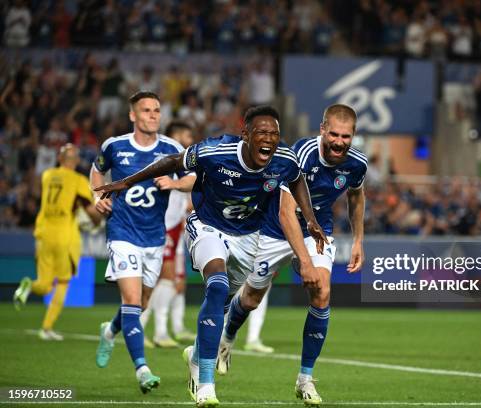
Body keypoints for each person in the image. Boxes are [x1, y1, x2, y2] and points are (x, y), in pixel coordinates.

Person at [94, 105, 326, 407]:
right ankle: (205, 383)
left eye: (274, 133)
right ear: (246, 134)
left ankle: (196, 352)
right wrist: (127, 181)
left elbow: (297, 180)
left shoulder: (284, 158)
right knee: (216, 285)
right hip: (207, 225)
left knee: (225, 300)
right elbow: (172, 161)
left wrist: (309, 218)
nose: (269, 138)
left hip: (248, 237)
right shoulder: (215, 151)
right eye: (261, 132)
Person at [216, 104, 367, 406]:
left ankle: (305, 379)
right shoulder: (300, 154)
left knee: (321, 291)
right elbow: (287, 213)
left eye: (346, 136)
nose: (339, 141)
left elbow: (356, 196)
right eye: (334, 134)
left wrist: (358, 240)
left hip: (317, 231)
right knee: (250, 299)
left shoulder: (357, 164)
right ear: (323, 129)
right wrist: (305, 263)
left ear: (353, 136)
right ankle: (227, 338)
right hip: (274, 229)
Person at [90, 91, 194, 393]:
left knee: (142, 302)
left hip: (154, 237)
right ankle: (142, 370)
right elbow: (97, 170)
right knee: (133, 301)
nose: (152, 115)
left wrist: (174, 183)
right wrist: (99, 196)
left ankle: (109, 331)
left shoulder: (172, 148)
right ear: (133, 115)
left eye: (157, 110)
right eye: (146, 110)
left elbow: (192, 178)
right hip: (123, 233)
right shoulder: (115, 146)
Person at [13, 144, 102, 340]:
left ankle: (29, 285)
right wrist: (98, 222)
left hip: (43, 233)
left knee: (44, 284)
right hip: (64, 236)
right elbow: (90, 210)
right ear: (76, 161)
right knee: (62, 282)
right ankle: (46, 328)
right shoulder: (78, 180)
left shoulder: (47, 176)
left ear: (59, 159)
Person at [140, 120, 196, 348]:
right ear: (175, 136)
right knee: (159, 279)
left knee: (167, 280)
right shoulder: (165, 157)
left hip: (172, 224)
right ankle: (142, 328)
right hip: (159, 224)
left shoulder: (183, 161)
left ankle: (159, 330)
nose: (190, 141)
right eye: (187, 136)